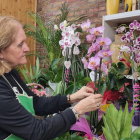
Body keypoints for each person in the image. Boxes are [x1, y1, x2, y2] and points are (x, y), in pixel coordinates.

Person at [0, 16, 103, 140]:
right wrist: (78, 110)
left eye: (25, 42)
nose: (27, 48)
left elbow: (36, 104)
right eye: (20, 44)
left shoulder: (9, 72)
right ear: (1, 52)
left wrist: (71, 98)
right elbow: (37, 131)